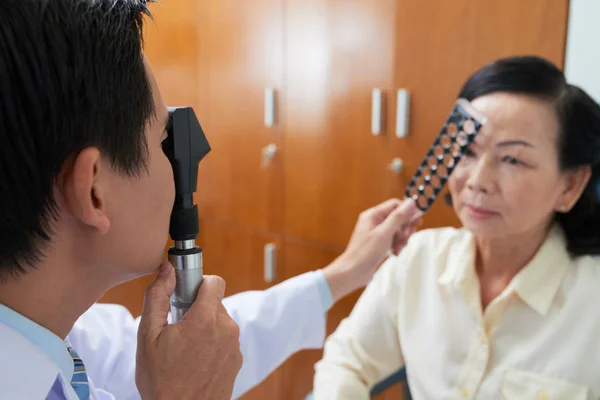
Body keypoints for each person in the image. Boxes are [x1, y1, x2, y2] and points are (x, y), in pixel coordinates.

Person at [0, 1, 423, 399]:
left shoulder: (48, 332)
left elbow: (174, 354)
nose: (180, 164)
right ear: (94, 191)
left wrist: (344, 273)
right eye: (162, 137)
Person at [313, 55, 600, 399]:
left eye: (512, 159)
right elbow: (348, 361)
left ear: (570, 185)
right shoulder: (418, 258)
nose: (477, 182)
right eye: (466, 152)